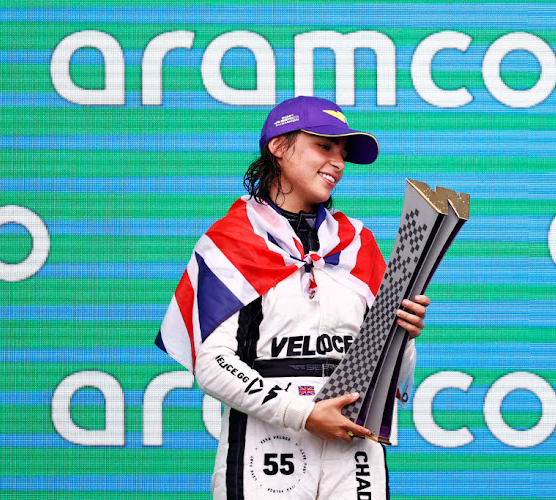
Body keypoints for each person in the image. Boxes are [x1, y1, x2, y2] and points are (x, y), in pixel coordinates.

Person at [156, 96, 430, 499]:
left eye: (342, 152)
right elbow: (212, 364)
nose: (337, 162)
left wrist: (404, 335)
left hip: (353, 446)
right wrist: (304, 414)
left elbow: (393, 374)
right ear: (279, 147)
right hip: (269, 443)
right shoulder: (231, 241)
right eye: (324, 146)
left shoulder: (358, 244)